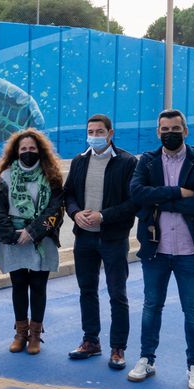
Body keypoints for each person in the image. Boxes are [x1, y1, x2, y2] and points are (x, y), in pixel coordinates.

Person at [128, 109, 194, 389]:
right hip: (156, 249)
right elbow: (137, 194)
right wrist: (179, 192)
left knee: (193, 310)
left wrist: (159, 198)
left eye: (175, 128)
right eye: (165, 129)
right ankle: (147, 359)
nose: (170, 133)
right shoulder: (147, 160)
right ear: (158, 132)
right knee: (151, 306)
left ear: (186, 130)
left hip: (191, 250)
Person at [62, 114, 139, 370]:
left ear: (110, 133)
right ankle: (90, 341)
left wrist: (103, 216)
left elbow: (133, 203)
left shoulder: (128, 163)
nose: (94, 136)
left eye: (99, 131)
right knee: (87, 291)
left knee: (117, 294)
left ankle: (118, 348)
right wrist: (75, 213)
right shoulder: (79, 161)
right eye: (91, 131)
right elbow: (69, 194)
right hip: (84, 238)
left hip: (113, 239)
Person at [0, 128, 64, 355]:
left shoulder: (51, 177)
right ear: (16, 151)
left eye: (32, 148)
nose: (28, 152)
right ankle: (20, 332)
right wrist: (13, 235)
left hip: (41, 240)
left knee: (39, 287)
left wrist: (32, 232)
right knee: (19, 285)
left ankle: (35, 334)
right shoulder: (6, 176)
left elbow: (56, 211)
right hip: (14, 241)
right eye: (24, 148)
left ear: (40, 150)